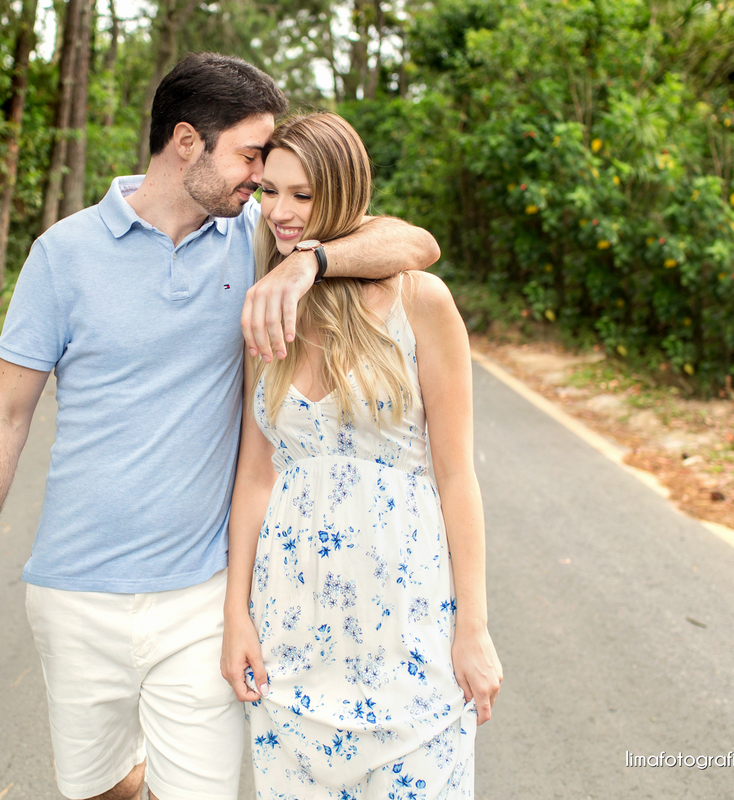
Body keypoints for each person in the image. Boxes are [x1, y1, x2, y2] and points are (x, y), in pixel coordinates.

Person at [0, 54, 441, 800]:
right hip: (74, 593)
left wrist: (310, 265)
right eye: (249, 158)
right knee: (100, 787)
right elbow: (6, 415)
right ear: (185, 142)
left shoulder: (258, 241)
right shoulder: (63, 254)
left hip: (203, 594)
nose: (260, 184)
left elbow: (414, 244)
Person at [219, 113, 502, 798]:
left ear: (343, 196)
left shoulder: (418, 301)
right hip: (291, 637)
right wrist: (237, 616)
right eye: (270, 191)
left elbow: (456, 475)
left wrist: (475, 628)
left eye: (303, 195)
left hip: (408, 635)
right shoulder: (267, 308)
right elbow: (255, 478)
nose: (280, 212)